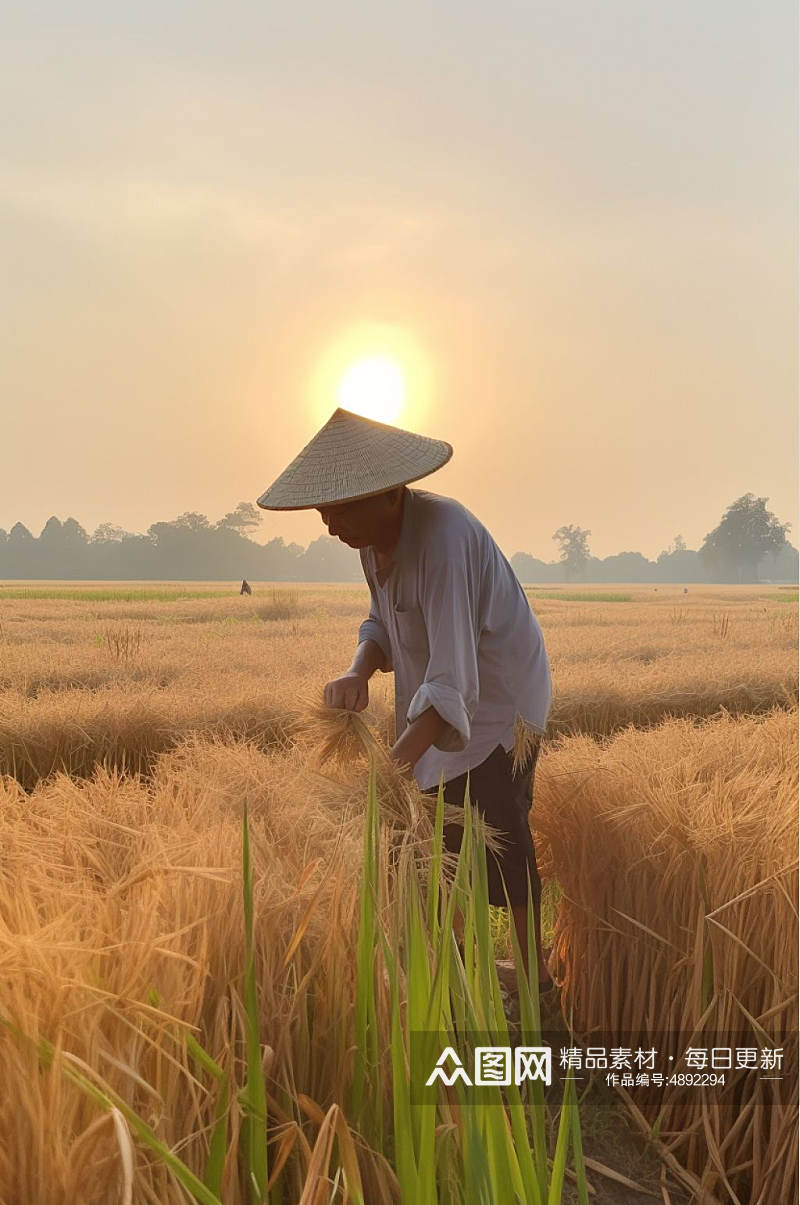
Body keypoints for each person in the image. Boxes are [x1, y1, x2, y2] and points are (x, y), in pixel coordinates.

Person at [257, 407, 553, 990]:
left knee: (500, 839)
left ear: (390, 495)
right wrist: (358, 672)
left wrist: (387, 773)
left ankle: (537, 983)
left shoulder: (443, 541)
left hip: (497, 703)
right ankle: (466, 974)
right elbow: (383, 623)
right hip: (440, 697)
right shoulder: (372, 541)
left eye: (340, 508)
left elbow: (455, 682)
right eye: (323, 509)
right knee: (430, 842)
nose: (328, 522)